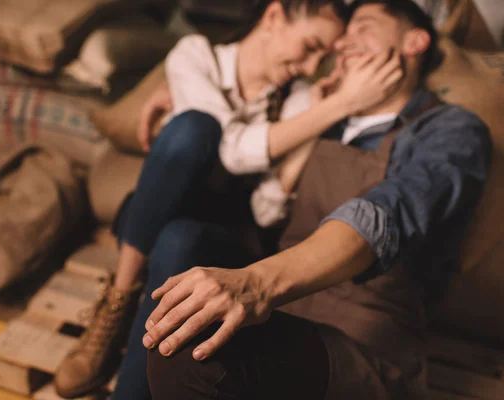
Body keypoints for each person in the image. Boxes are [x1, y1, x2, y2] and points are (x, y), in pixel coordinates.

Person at [143, 1, 493, 399]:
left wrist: (257, 283)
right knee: (183, 255)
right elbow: (246, 172)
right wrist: (186, 92)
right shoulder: (320, 117)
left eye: (363, 27)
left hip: (362, 342)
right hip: (280, 318)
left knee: (190, 353)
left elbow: (387, 213)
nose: (343, 42)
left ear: (414, 40)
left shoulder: (451, 130)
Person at [54, 1, 404, 399]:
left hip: (226, 242)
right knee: (192, 132)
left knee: (181, 237)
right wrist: (337, 107)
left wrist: (313, 127)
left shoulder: (299, 97)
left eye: (322, 57)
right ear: (273, 17)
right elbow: (233, 150)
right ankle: (119, 299)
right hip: (160, 216)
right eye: (310, 47)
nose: (310, 67)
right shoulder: (194, 56)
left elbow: (266, 209)